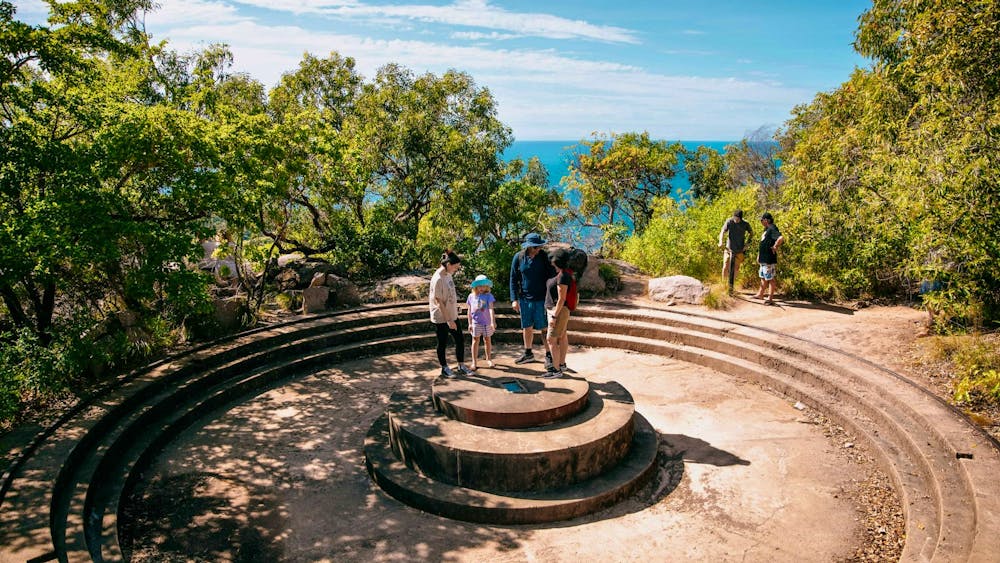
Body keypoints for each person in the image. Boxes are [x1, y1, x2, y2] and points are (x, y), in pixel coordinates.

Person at [509, 233, 556, 368]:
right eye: (535, 247)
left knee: (544, 328)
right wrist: (514, 299)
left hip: (541, 299)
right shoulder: (519, 257)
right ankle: (528, 352)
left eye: (539, 247)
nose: (538, 249)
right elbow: (513, 278)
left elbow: (552, 276)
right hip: (524, 298)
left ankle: (549, 355)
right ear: (528, 247)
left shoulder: (544, 257)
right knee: (527, 326)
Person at [429, 250, 473, 377]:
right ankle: (444, 367)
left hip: (452, 314)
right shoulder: (437, 278)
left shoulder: (448, 274)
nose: (457, 269)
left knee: (460, 340)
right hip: (442, 317)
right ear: (448, 264)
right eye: (456, 266)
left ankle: (461, 365)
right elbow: (438, 301)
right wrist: (448, 320)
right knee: (442, 343)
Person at [543, 249, 574, 378]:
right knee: (561, 336)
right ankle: (560, 365)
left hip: (558, 312)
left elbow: (562, 299)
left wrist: (554, 316)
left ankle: (556, 370)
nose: (551, 262)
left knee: (551, 339)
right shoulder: (564, 273)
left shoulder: (562, 276)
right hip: (558, 311)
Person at [718, 209, 753, 293]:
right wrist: (720, 241)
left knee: (736, 268)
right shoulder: (729, 221)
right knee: (725, 266)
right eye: (734, 217)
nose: (735, 219)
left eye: (737, 218)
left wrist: (747, 244)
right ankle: (724, 285)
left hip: (739, 250)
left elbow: (751, 233)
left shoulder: (745, 224)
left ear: (740, 218)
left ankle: (731, 287)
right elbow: (723, 231)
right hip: (728, 249)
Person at [466, 274, 497, 370]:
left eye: (484, 286)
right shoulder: (471, 296)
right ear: (476, 286)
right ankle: (474, 361)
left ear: (487, 286)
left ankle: (489, 359)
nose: (482, 288)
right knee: (475, 340)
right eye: (479, 286)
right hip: (476, 323)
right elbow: (469, 310)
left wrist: (492, 322)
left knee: (487, 340)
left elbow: (491, 309)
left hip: (487, 322)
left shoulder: (489, 296)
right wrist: (470, 323)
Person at [753, 212, 784, 304]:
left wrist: (775, 246)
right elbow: (763, 243)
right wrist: (759, 255)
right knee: (763, 276)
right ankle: (760, 294)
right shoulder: (766, 229)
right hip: (763, 258)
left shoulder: (772, 228)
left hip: (768, 259)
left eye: (762, 220)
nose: (761, 222)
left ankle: (770, 298)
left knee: (770, 278)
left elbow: (780, 238)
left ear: (767, 220)